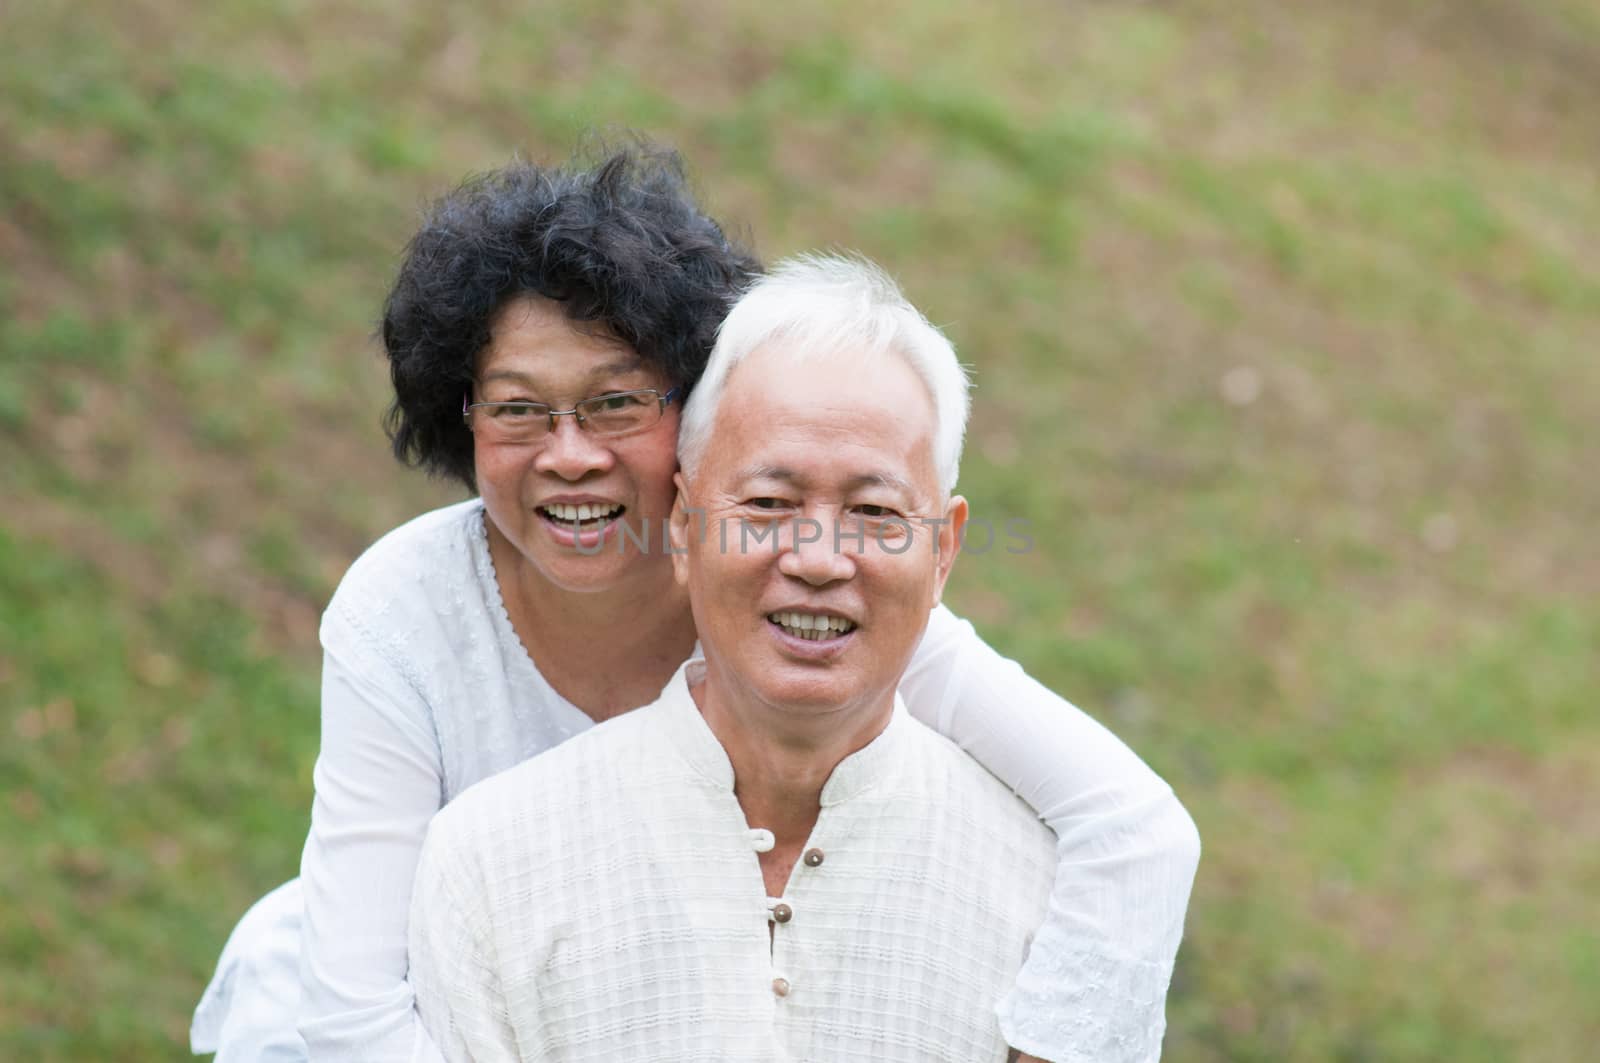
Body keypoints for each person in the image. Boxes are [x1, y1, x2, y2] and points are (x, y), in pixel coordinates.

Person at [191, 142, 1200, 1063]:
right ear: (460, 417)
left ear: (696, 420)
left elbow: (1133, 831)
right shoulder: (402, 611)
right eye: (518, 408)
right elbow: (354, 1009)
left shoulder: (799, 598)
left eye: (617, 402)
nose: (570, 454)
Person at [407, 253, 1060, 1061]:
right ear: (683, 523)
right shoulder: (493, 863)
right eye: (768, 503)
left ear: (944, 550)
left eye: (874, 510)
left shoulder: (1047, 887)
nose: (819, 558)